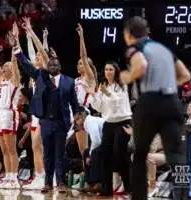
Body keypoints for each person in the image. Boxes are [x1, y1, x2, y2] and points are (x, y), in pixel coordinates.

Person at [120, 16, 191, 200]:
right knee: (177, 157)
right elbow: (185, 75)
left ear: (129, 34)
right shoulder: (164, 50)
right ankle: (183, 197)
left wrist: (128, 76)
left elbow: (140, 67)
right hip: (172, 102)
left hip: (149, 103)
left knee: (140, 154)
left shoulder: (135, 48)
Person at [11, 17, 79, 193]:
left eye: (55, 63)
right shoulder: (40, 75)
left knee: (59, 154)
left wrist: (78, 116)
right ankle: (47, 182)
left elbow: (74, 102)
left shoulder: (68, 82)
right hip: (44, 120)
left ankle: (60, 182)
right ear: (48, 66)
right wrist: (16, 46)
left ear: (60, 66)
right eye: (50, 63)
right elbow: (26, 63)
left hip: (62, 122)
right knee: (46, 153)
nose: (53, 65)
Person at [0, 24, 21, 189]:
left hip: (9, 114)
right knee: (3, 149)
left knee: (10, 147)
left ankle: (14, 177)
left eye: (7, 66)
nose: (5, 67)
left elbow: (14, 61)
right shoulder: (1, 81)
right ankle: (7, 176)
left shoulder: (14, 81)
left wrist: (15, 42)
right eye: (4, 66)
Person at [89, 61, 132, 196]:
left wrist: (107, 93)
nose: (108, 72)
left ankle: (128, 184)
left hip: (123, 122)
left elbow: (118, 103)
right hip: (109, 123)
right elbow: (99, 108)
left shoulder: (122, 85)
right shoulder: (103, 86)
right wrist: (94, 94)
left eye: (111, 70)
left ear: (116, 71)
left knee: (120, 152)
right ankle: (106, 189)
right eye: (106, 69)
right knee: (105, 155)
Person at [23, 24, 49, 190]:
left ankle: (46, 176)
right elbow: (32, 54)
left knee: (43, 147)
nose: (37, 57)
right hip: (36, 112)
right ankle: (38, 176)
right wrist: (27, 36)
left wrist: (34, 34)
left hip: (46, 112)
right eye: (36, 56)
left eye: (40, 56)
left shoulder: (47, 71)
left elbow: (42, 51)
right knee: (34, 147)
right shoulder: (34, 72)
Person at [74, 23, 98, 156]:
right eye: (77, 63)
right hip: (73, 111)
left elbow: (83, 55)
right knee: (81, 148)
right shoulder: (76, 80)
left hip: (83, 112)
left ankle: (90, 175)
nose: (79, 65)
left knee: (85, 149)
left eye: (81, 63)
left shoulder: (89, 78)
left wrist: (81, 36)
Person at [123, 125, 167, 197]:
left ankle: (152, 187)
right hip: (148, 154)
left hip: (163, 155)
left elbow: (151, 149)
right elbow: (131, 146)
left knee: (148, 157)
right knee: (133, 156)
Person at [74, 106, 104, 190]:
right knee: (86, 152)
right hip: (104, 143)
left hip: (110, 144)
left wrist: (90, 157)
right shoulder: (88, 123)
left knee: (94, 153)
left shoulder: (90, 121)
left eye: (78, 119)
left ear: (83, 115)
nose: (77, 122)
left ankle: (98, 183)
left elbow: (96, 141)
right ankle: (89, 182)